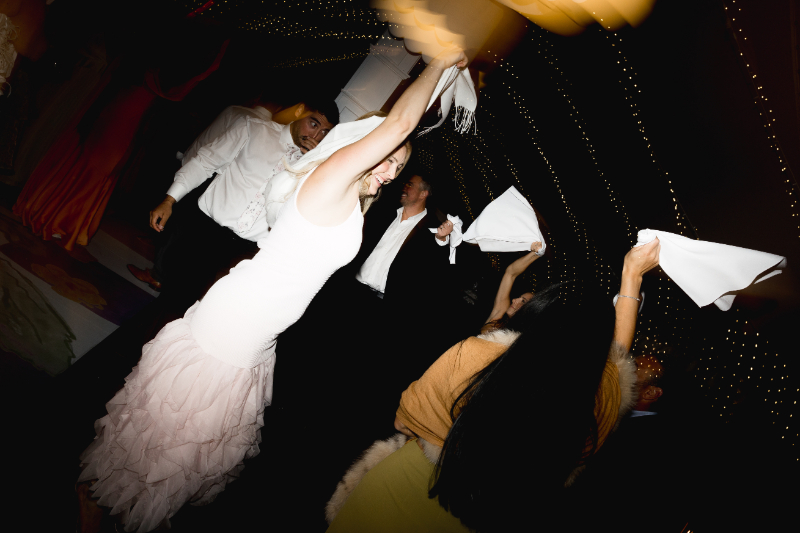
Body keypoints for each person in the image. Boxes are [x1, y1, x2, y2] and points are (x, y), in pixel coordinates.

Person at [75, 47, 469, 533]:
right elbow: (398, 124)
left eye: (397, 166)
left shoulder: (350, 197)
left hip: (258, 331)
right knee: (171, 429)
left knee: (189, 436)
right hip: (237, 321)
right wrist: (442, 61)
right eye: (388, 157)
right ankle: (95, 495)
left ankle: (117, 498)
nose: (390, 173)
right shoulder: (329, 178)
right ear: (359, 146)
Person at [325, 238, 660, 533]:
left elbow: (402, 422)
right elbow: (619, 355)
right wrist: (632, 277)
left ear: (537, 314)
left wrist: (631, 272)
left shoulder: (478, 356)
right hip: (485, 519)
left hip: (406, 490)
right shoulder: (598, 400)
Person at [126, 98, 338, 294]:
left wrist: (307, 166)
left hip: (243, 251)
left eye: (325, 132)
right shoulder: (254, 128)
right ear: (300, 112)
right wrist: (170, 200)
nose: (316, 136)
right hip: (203, 230)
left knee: (195, 311)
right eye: (314, 124)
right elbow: (205, 162)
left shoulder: (313, 166)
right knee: (171, 296)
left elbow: (301, 209)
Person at [480, 240, 544, 334]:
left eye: (523, 301)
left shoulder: (521, 337)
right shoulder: (499, 315)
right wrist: (536, 253)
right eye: (519, 298)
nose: (514, 300)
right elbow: (510, 273)